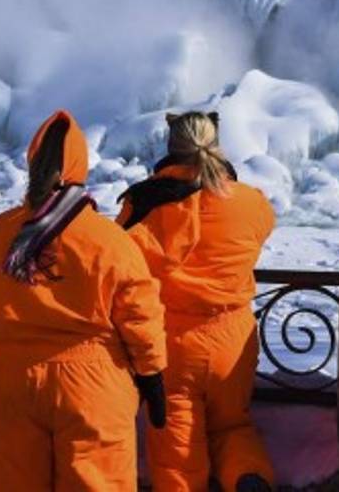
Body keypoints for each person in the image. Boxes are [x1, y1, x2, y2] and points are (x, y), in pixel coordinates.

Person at [0, 109, 168, 491]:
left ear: (32, 162)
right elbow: (139, 315)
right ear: (81, 167)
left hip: (10, 381)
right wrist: (152, 376)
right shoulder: (109, 240)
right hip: (93, 385)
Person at [117, 111, 276, 492]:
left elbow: (118, 258)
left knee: (177, 447)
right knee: (232, 426)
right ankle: (249, 477)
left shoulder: (146, 203)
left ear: (171, 146)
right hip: (234, 341)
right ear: (217, 144)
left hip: (171, 344)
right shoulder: (251, 201)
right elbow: (261, 230)